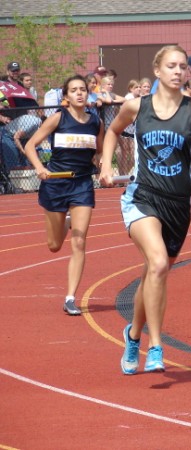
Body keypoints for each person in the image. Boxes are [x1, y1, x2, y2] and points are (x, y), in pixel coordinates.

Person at [98, 45, 191, 374]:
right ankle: (155, 346)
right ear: (157, 71)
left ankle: (133, 334)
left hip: (178, 203)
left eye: (182, 66)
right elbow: (112, 131)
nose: (178, 71)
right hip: (143, 196)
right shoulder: (137, 106)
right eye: (171, 66)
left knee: (154, 273)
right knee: (159, 263)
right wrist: (106, 165)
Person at [22, 74, 105, 315]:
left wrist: (101, 165)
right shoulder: (58, 118)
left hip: (82, 184)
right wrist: (40, 168)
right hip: (55, 184)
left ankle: (70, 298)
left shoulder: (95, 122)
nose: (79, 93)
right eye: (74, 90)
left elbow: (100, 150)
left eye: (83, 89)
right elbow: (30, 145)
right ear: (66, 96)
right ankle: (65, 223)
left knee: (79, 241)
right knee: (54, 246)